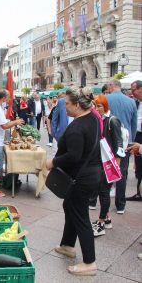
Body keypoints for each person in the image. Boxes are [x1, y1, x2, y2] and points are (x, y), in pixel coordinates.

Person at [46, 87, 102, 276]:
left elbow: (73, 155)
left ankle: (90, 263)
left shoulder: (78, 126)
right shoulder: (92, 117)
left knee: (80, 216)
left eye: (68, 103)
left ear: (77, 105)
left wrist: (52, 161)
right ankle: (68, 245)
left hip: (81, 177)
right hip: (89, 173)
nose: (65, 106)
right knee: (69, 207)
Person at [90, 95, 125, 237]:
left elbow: (119, 143)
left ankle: (101, 222)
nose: (97, 108)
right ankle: (107, 219)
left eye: (99, 106)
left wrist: (116, 165)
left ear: (105, 106)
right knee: (101, 191)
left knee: (104, 192)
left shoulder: (112, 120)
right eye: (95, 106)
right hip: (101, 161)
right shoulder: (100, 120)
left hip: (109, 163)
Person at [107, 79, 137, 214]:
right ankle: (120, 205)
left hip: (108, 141)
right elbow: (134, 125)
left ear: (112, 86)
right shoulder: (131, 102)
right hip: (125, 142)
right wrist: (131, 141)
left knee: (105, 170)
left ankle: (103, 202)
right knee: (123, 172)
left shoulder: (106, 99)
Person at [126, 80, 142, 201]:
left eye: (134, 90)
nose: (132, 92)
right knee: (139, 166)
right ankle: (139, 193)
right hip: (137, 136)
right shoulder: (136, 103)